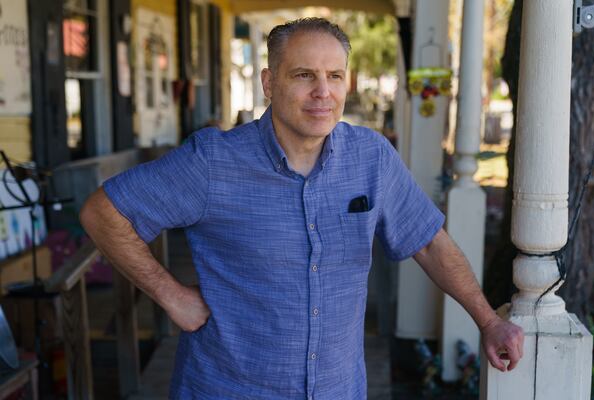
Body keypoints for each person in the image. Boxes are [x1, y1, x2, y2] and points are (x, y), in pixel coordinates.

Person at [80, 18, 523, 400]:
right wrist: (170, 295)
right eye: (304, 75)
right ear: (270, 83)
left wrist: (487, 320)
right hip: (229, 385)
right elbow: (103, 213)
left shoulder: (371, 157)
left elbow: (428, 241)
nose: (322, 93)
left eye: (335, 75)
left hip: (338, 388)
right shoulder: (213, 162)